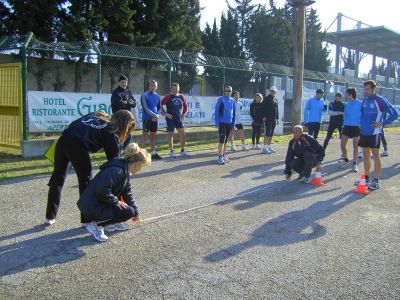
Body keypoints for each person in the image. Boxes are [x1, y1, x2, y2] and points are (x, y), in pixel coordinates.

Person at [45, 110, 136, 226]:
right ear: (123, 124)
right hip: (77, 145)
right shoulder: (111, 132)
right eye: (128, 126)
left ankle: (49, 217)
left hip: (63, 140)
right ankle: (87, 220)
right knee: (86, 181)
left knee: (57, 178)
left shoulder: (97, 114)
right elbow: (114, 164)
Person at [77, 143, 151, 242]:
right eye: (141, 166)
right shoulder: (116, 171)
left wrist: (136, 213)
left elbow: (128, 193)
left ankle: (110, 224)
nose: (140, 169)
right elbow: (101, 189)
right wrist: (116, 201)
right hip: (90, 205)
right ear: (137, 164)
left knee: (130, 211)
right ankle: (95, 225)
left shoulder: (124, 170)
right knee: (127, 211)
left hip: (96, 203)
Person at [357, 80, 398, 190]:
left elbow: (395, 114)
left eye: (368, 89)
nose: (365, 91)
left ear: (373, 89)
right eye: (364, 89)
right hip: (364, 133)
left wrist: (381, 123)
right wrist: (360, 124)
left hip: (374, 133)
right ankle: (366, 178)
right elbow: (362, 114)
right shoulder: (364, 101)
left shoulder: (380, 100)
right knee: (365, 155)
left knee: (376, 156)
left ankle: (376, 180)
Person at [161, 83, 190, 158]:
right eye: (173, 89)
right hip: (170, 118)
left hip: (178, 118)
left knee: (183, 134)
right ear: (171, 89)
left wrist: (183, 114)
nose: (174, 90)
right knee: (170, 134)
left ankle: (182, 151)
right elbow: (160, 105)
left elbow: (186, 107)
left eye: (176, 88)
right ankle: (172, 151)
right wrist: (166, 114)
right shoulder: (168, 97)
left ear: (178, 89)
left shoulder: (182, 97)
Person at [111, 75, 136, 148]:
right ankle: (117, 155)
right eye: (122, 82)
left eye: (125, 82)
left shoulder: (129, 92)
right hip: (118, 118)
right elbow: (119, 103)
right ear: (119, 83)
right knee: (118, 136)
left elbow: (134, 103)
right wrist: (129, 102)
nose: (124, 84)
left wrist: (128, 103)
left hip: (127, 118)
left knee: (128, 135)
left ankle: (126, 152)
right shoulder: (115, 92)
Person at [340, 88, 362, 172]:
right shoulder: (347, 105)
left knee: (355, 146)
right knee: (342, 144)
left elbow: (363, 115)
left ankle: (354, 164)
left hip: (356, 127)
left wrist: (361, 125)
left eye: (346, 94)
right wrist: (343, 124)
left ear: (350, 95)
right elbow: (345, 116)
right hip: (346, 126)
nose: (345, 96)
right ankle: (346, 160)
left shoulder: (360, 104)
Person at [140, 80, 162, 160]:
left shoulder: (158, 96)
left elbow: (160, 108)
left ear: (156, 87)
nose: (153, 87)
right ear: (149, 86)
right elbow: (145, 108)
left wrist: (157, 115)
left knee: (153, 136)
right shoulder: (144, 95)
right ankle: (140, 155)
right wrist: (155, 115)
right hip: (147, 119)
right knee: (144, 136)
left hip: (155, 119)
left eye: (154, 86)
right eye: (151, 85)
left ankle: (153, 153)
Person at [215, 85, 236, 165]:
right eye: (226, 90)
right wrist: (217, 123)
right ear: (224, 91)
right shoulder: (221, 99)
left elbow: (233, 113)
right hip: (222, 123)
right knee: (221, 139)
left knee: (226, 140)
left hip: (229, 123)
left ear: (231, 92)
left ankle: (223, 155)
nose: (228, 92)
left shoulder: (232, 100)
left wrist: (233, 124)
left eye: (229, 91)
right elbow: (217, 111)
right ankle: (220, 157)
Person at [261, 86, 279, 154]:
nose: (273, 92)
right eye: (272, 91)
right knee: (267, 132)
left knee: (271, 133)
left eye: (274, 91)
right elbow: (262, 108)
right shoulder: (266, 98)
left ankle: (268, 146)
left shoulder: (275, 99)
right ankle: (265, 147)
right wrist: (263, 116)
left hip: (274, 119)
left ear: (275, 92)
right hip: (268, 118)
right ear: (270, 91)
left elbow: (277, 110)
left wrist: (277, 118)